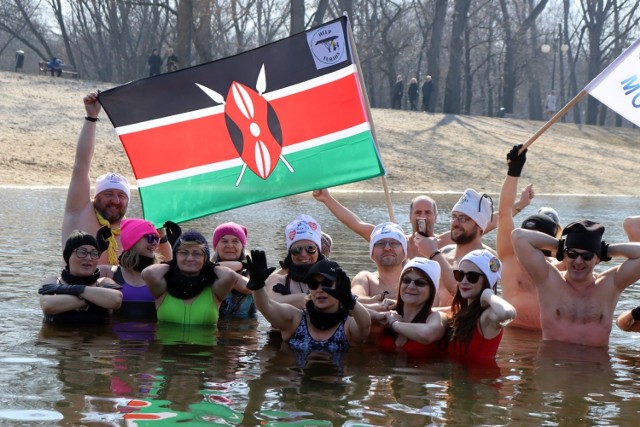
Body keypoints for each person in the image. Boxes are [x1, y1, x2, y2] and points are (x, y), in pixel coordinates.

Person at [512, 219, 640, 346]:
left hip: (594, 364)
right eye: (572, 254)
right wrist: (562, 246)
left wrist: (605, 250)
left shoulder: (610, 285)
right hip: (554, 364)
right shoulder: (548, 281)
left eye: (587, 256)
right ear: (564, 255)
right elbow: (519, 236)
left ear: (598, 259)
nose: (578, 261)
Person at [247, 253, 371, 352]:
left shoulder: (348, 326)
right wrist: (257, 286)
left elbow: (365, 325)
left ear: (340, 286)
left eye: (327, 284)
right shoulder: (295, 319)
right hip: (297, 381)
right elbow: (266, 306)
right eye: (313, 284)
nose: (319, 290)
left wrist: (350, 301)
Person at [497, 145, 559, 329]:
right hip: (510, 342)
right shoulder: (509, 258)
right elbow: (504, 212)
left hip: (546, 346)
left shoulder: (559, 269)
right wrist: (513, 172)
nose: (529, 244)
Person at [141, 230, 247, 325]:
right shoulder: (163, 287)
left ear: (205, 258)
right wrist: (172, 263)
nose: (190, 258)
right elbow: (148, 273)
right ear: (176, 256)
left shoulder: (215, 288)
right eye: (183, 253)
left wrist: (210, 266)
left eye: (197, 254)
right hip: (168, 347)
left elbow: (230, 275)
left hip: (204, 347)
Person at [441, 249, 516, 359]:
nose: (464, 281)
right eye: (460, 275)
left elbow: (508, 313)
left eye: (472, 277)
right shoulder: (460, 312)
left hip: (481, 376)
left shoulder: (487, 318)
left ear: (487, 280)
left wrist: (487, 294)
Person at [39, 230, 123, 324]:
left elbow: (116, 300)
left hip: (97, 338)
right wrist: (92, 298)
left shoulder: (102, 282)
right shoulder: (54, 281)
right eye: (82, 252)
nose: (88, 258)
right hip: (60, 337)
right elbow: (47, 305)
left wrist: (75, 289)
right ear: (68, 256)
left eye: (94, 253)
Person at [373, 257, 447, 357]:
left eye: (420, 283)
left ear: (431, 291)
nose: (411, 286)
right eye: (406, 280)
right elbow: (353, 312)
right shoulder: (389, 312)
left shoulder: (436, 317)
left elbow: (427, 334)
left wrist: (394, 324)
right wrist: (376, 314)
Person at [101, 219, 163, 320]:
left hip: (153, 335)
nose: (155, 243)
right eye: (151, 238)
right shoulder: (109, 272)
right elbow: (79, 275)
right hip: (116, 336)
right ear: (133, 240)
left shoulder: (160, 273)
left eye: (157, 239)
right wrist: (98, 249)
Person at [266, 214, 325, 309]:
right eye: (296, 250)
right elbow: (271, 304)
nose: (303, 254)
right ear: (290, 254)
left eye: (310, 248)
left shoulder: (333, 276)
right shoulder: (278, 280)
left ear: (318, 251)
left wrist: (289, 299)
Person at [351, 222, 408, 310]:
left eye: (394, 243)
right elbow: (353, 300)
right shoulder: (366, 278)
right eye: (381, 243)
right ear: (372, 254)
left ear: (404, 253)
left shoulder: (415, 280)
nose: (387, 248)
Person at [212, 222, 255, 317]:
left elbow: (248, 287)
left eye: (235, 241)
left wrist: (242, 265)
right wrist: (241, 265)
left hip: (246, 326)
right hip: (216, 327)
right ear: (216, 247)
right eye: (224, 241)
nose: (230, 245)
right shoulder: (206, 269)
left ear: (242, 247)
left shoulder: (251, 269)